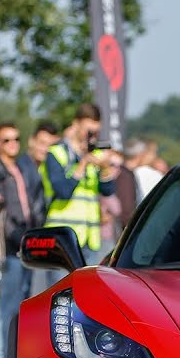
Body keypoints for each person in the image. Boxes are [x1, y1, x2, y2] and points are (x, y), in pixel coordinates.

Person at [0, 121, 46, 358]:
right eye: (6, 140)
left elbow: (34, 199)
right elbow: (1, 214)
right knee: (7, 305)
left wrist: (35, 229)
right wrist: (16, 237)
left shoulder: (23, 165)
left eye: (16, 139)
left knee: (23, 303)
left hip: (27, 241)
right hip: (10, 245)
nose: (12, 144)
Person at [42, 102, 118, 266]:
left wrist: (105, 168)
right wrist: (82, 164)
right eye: (88, 131)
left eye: (95, 132)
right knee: (61, 291)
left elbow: (108, 190)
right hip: (62, 238)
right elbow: (62, 190)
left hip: (90, 238)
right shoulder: (56, 153)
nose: (91, 136)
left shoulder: (96, 154)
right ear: (76, 124)